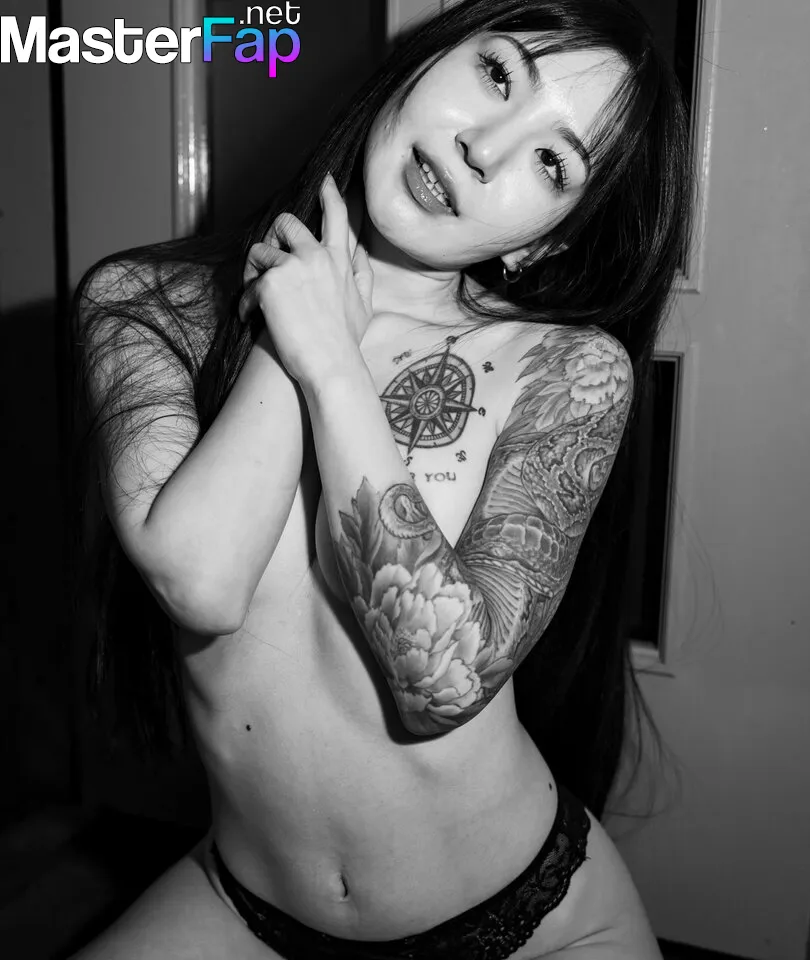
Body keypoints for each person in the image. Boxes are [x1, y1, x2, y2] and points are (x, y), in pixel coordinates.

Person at [70, 0, 692, 956]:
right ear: (423, 61)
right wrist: (297, 325)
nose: (484, 148)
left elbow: (439, 683)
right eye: (498, 74)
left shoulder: (566, 370)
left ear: (546, 240)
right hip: (247, 908)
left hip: (528, 925)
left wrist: (334, 361)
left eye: (551, 163)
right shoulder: (148, 304)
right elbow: (201, 579)